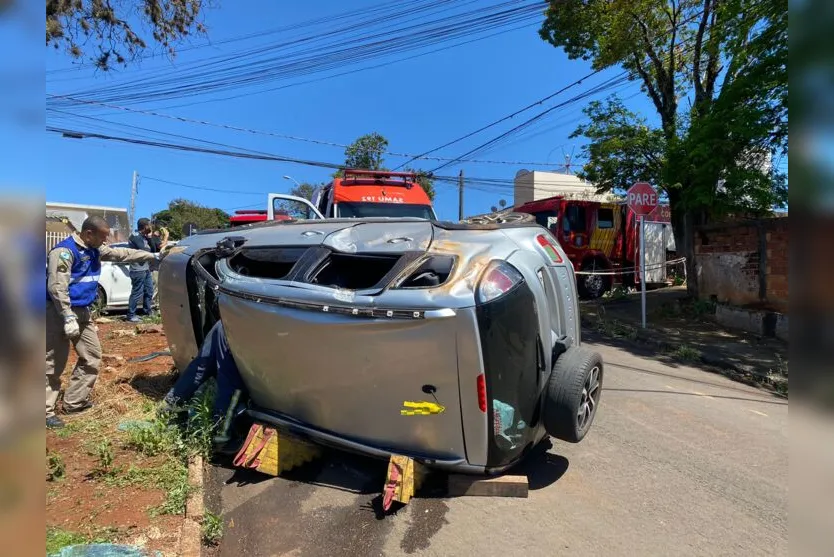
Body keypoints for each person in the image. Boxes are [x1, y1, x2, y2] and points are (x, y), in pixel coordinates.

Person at [46, 215, 162, 429]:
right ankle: (45, 411)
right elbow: (56, 287)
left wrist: (154, 254)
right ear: (89, 234)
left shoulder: (95, 249)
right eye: (102, 237)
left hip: (83, 312)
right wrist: (67, 315)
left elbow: (123, 253)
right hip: (58, 313)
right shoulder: (64, 252)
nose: (105, 242)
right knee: (53, 363)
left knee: (91, 356)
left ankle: (74, 402)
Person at [161, 319, 247, 450]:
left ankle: (168, 406)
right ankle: (221, 439)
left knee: (200, 367)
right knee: (232, 384)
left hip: (224, 322)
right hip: (240, 330)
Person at [125, 218, 155, 323]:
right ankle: (131, 315)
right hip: (137, 269)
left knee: (149, 290)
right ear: (145, 226)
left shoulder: (145, 237)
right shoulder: (135, 237)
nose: (151, 227)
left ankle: (147, 311)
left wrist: (150, 238)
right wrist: (148, 236)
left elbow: (154, 250)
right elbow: (142, 249)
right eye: (149, 225)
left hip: (146, 269)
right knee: (137, 292)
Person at [148, 224, 169, 310]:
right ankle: (152, 306)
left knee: (156, 286)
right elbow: (161, 247)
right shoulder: (154, 238)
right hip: (154, 266)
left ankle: (155, 305)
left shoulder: (152, 238)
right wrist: (166, 237)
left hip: (154, 265)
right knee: (155, 286)